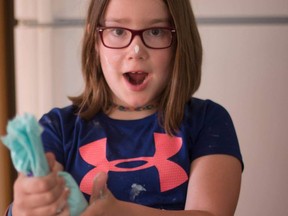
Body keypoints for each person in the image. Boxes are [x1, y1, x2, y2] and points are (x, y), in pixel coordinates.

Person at [8, 0, 243, 215]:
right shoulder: (58, 128)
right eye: (118, 31)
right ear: (95, 40)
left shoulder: (208, 121)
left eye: (155, 32)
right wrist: (23, 207)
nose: (136, 51)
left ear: (180, 41)